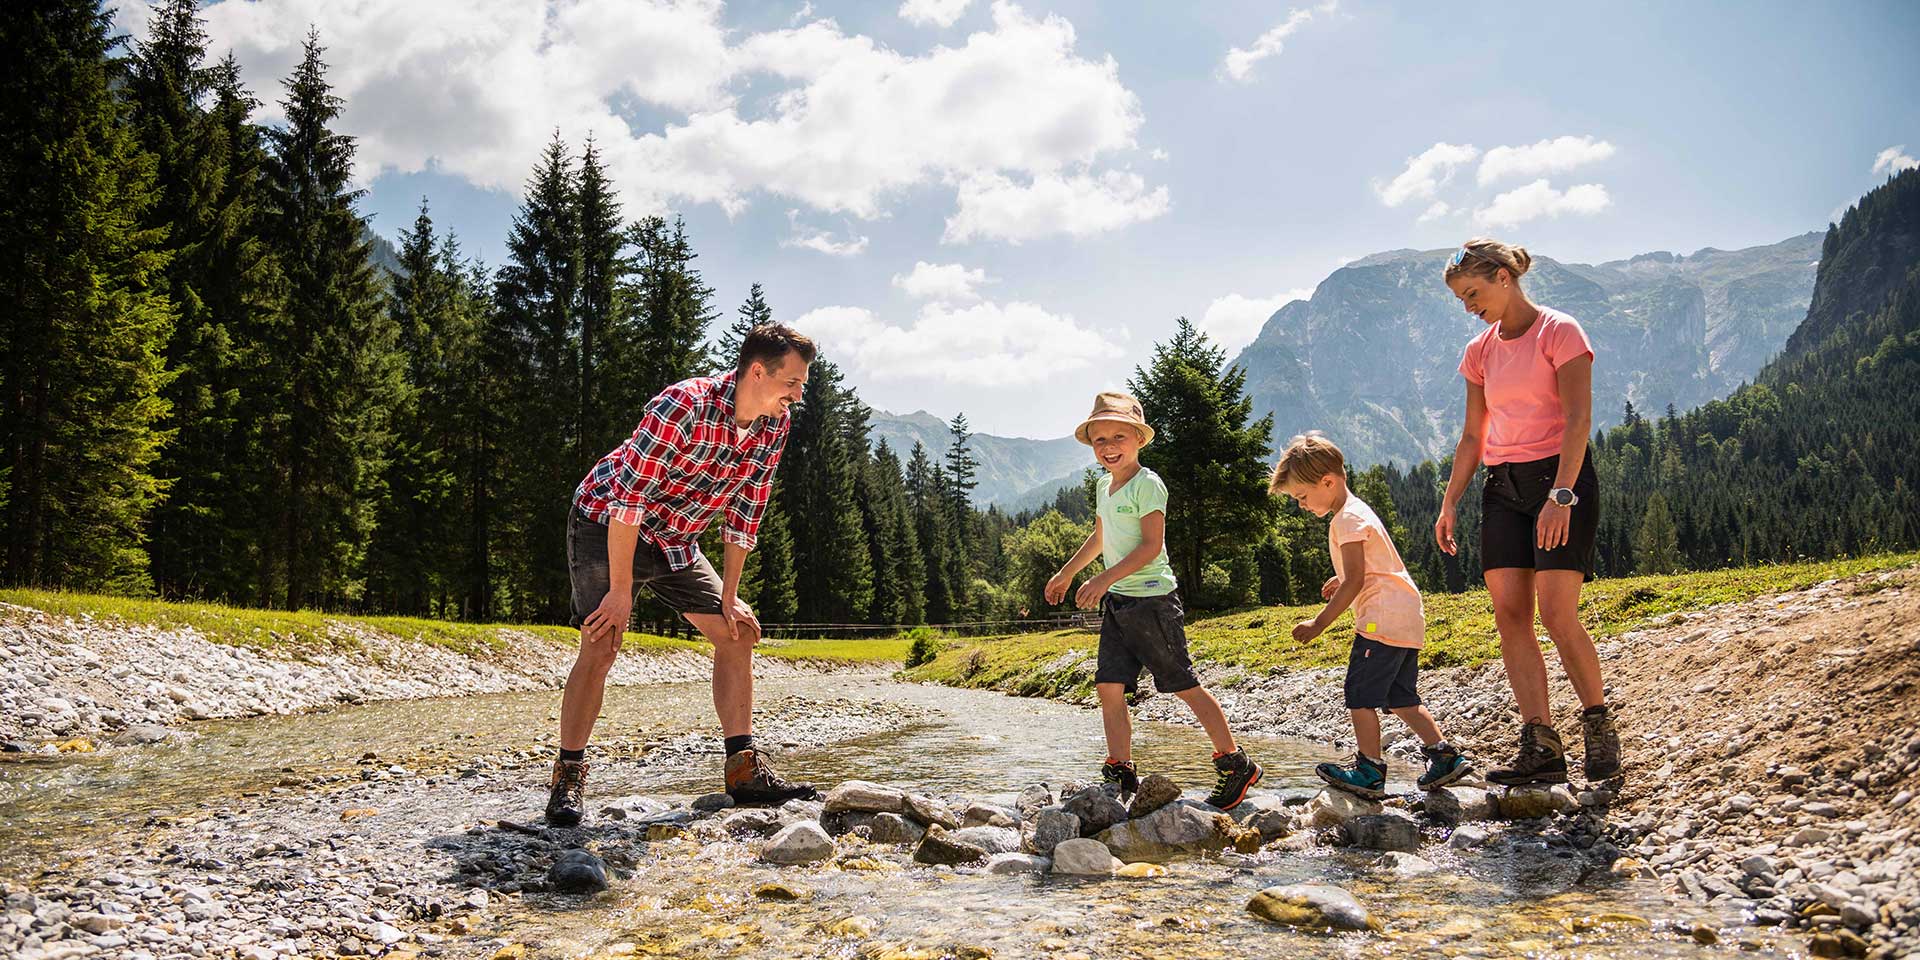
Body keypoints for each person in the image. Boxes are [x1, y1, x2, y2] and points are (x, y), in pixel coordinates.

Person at [546, 324, 820, 826]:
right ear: (758, 372)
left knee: (737, 634)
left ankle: (742, 772)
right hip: (607, 521)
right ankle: (568, 776)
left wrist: (730, 597)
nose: (798, 395)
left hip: (676, 538)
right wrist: (622, 590)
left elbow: (745, 516)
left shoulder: (773, 428)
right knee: (603, 642)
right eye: (793, 383)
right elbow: (628, 499)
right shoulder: (684, 405)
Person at [1435, 238, 1621, 786]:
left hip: (1559, 480)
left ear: (1502, 276)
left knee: (1557, 613)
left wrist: (1561, 495)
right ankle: (1541, 745)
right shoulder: (1479, 351)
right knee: (1510, 617)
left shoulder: (1560, 331)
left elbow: (1578, 419)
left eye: (1473, 293)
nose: (1470, 306)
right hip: (1502, 488)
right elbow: (1474, 434)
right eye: (1461, 299)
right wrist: (1449, 502)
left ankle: (1598, 727)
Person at [1045, 391, 1264, 810]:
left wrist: (1103, 578)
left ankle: (1235, 762)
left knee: (1182, 684)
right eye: (1100, 440)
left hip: (1153, 602)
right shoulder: (1102, 486)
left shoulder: (1148, 484)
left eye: (1118, 437)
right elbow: (1101, 536)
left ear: (1139, 439)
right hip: (1119, 605)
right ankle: (1120, 768)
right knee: (1109, 686)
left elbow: (1150, 547)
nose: (1109, 447)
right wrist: (1068, 572)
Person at [1271, 432, 1473, 798]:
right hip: (1406, 614)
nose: (1300, 504)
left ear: (1327, 482)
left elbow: (1357, 582)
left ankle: (1369, 769)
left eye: (1301, 496)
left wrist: (1318, 623)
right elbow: (1368, 567)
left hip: (1380, 618)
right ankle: (1443, 756)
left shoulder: (1345, 520)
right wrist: (1344, 577)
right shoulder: (1358, 510)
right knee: (1401, 698)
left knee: (1360, 693)